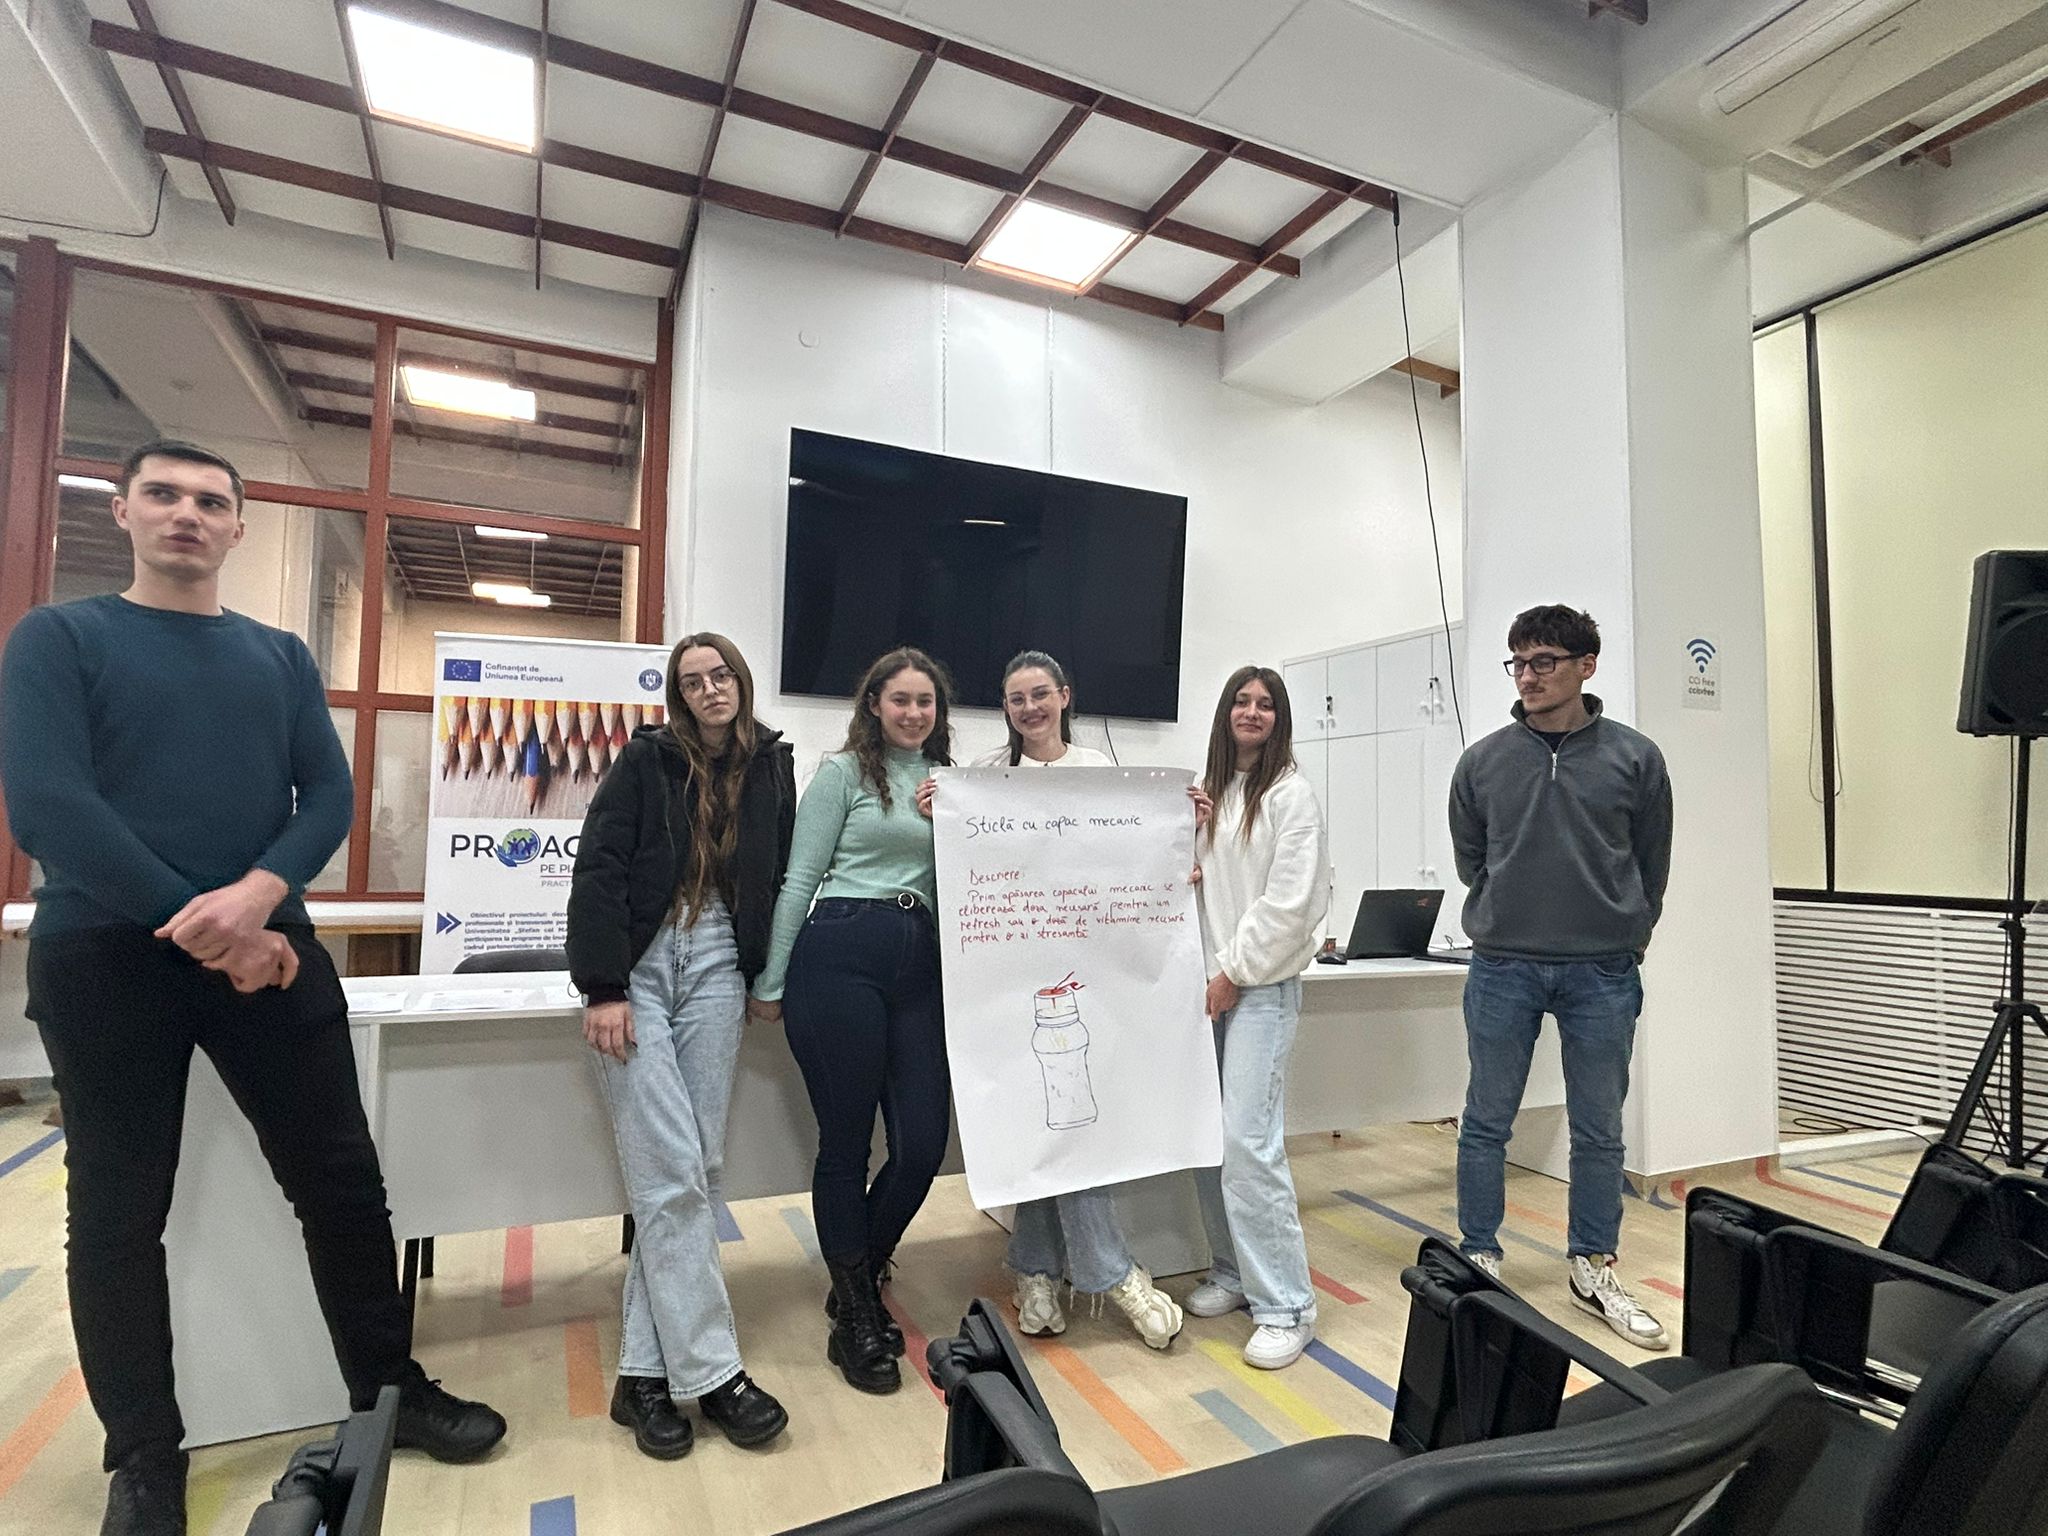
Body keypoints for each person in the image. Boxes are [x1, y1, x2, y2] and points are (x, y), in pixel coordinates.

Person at [0, 441, 505, 1536]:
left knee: (342, 1185)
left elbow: (326, 795)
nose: (186, 513)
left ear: (237, 528)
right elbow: (48, 805)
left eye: (210, 501)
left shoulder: (277, 657)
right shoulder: (57, 639)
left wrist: (259, 898)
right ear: (124, 512)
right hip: (107, 955)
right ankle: (144, 1461)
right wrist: (215, 927)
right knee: (118, 1215)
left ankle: (389, 1393)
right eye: (163, 495)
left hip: (272, 950)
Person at [566, 632, 795, 1459]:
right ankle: (715, 1373)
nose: (710, 689)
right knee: (672, 1170)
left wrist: (768, 970)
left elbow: (781, 873)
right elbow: (599, 865)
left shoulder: (773, 766)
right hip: (643, 961)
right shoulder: (645, 761)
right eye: (693, 681)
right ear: (678, 696)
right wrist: (603, 986)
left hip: (721, 959)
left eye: (721, 674)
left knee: (695, 1168)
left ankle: (642, 1377)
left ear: (741, 680)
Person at [915, 650, 1184, 1349]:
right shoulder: (986, 778)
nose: (1029, 707)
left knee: (1069, 1125)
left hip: (1089, 978)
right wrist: (939, 815)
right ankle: (1109, 1272)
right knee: (1041, 1121)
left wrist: (1183, 829)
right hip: (1010, 980)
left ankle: (1036, 1269)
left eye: (1039, 694)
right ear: (1005, 708)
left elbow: (1129, 858)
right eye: (1015, 698)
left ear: (1064, 696)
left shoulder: (1100, 771)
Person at [1448, 604, 1673, 1350]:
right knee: (1486, 1120)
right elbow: (1473, 860)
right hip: (1503, 965)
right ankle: (1479, 1254)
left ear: (1586, 666)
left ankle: (1592, 1265)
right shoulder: (1482, 762)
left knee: (1599, 1129)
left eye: (1544, 661)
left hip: (1601, 971)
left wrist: (1628, 934)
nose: (1528, 676)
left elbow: (1651, 864)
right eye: (1518, 662)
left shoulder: (1637, 759)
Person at [750, 647, 955, 1394]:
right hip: (839, 953)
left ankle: (856, 1275)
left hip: (920, 964)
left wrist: (955, 821)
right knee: (845, 1145)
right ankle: (857, 1318)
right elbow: (800, 876)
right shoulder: (841, 774)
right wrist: (771, 980)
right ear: (874, 704)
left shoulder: (952, 785)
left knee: (922, 1144)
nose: (913, 713)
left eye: (925, 702)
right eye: (900, 700)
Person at [1185, 666, 1330, 1370]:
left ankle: (1288, 1306)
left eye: (1266, 704)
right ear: (1225, 713)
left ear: (1280, 718)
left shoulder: (1291, 795)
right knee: (1210, 1141)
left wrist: (1232, 971)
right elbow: (1199, 888)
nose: (1252, 712)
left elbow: (1289, 905)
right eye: (1241, 701)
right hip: (1207, 990)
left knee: (1249, 1144)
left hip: (1258, 990)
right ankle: (1234, 1272)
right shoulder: (1208, 792)